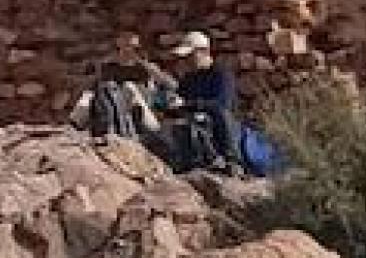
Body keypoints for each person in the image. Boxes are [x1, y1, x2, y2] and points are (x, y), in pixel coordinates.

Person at [160, 29, 239, 170]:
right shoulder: (189, 78)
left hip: (217, 130)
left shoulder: (222, 75)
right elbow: (179, 101)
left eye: (191, 56)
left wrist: (189, 104)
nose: (187, 61)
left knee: (216, 115)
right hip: (190, 127)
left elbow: (221, 104)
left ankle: (229, 160)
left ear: (203, 52)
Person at [68, 32, 164, 142]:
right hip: (112, 100)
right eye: (126, 47)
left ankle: (150, 127)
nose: (129, 51)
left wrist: (146, 66)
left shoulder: (143, 67)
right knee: (88, 95)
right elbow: (95, 85)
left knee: (129, 87)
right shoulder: (109, 66)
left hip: (138, 103)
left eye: (133, 48)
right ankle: (75, 125)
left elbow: (168, 83)